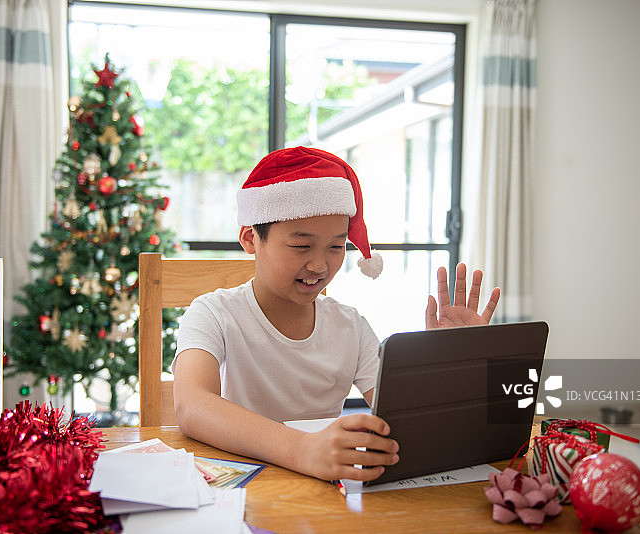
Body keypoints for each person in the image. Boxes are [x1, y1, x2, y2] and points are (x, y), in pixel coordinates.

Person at [172, 146, 500, 482]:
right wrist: (303, 449)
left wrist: (454, 357)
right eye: (301, 246)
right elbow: (192, 405)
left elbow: (414, 422)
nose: (319, 265)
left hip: (323, 490)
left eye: (336, 246)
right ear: (250, 239)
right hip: (240, 486)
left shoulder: (350, 327)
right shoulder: (213, 313)